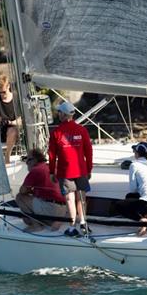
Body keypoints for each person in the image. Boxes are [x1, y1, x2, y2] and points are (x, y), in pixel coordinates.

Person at [48, 100, 93, 237]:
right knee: (82, 197)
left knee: (70, 199)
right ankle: (83, 223)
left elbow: (51, 155)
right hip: (81, 170)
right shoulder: (82, 130)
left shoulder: (56, 132)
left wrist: (51, 171)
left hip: (65, 172)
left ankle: (72, 227)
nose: (58, 114)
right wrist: (89, 169)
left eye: (59, 112)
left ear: (63, 114)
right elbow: (88, 151)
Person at [113, 143, 147, 236]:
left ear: (137, 154)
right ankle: (145, 222)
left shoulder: (134, 165)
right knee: (140, 198)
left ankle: (142, 220)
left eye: (134, 152)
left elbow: (132, 188)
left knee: (121, 203)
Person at [15, 148, 68, 231]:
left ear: (35, 160)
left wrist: (30, 190)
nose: (26, 162)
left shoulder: (36, 170)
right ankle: (49, 222)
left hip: (51, 209)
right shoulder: (51, 166)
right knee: (26, 219)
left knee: (20, 197)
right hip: (62, 210)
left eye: (28, 159)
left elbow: (22, 191)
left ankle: (36, 226)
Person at [0, 73, 20, 164]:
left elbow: (21, 120)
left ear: (8, 86)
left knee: (12, 130)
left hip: (12, 129)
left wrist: (11, 122)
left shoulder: (16, 98)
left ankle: (7, 156)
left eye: (4, 92)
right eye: (0, 92)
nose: (2, 95)